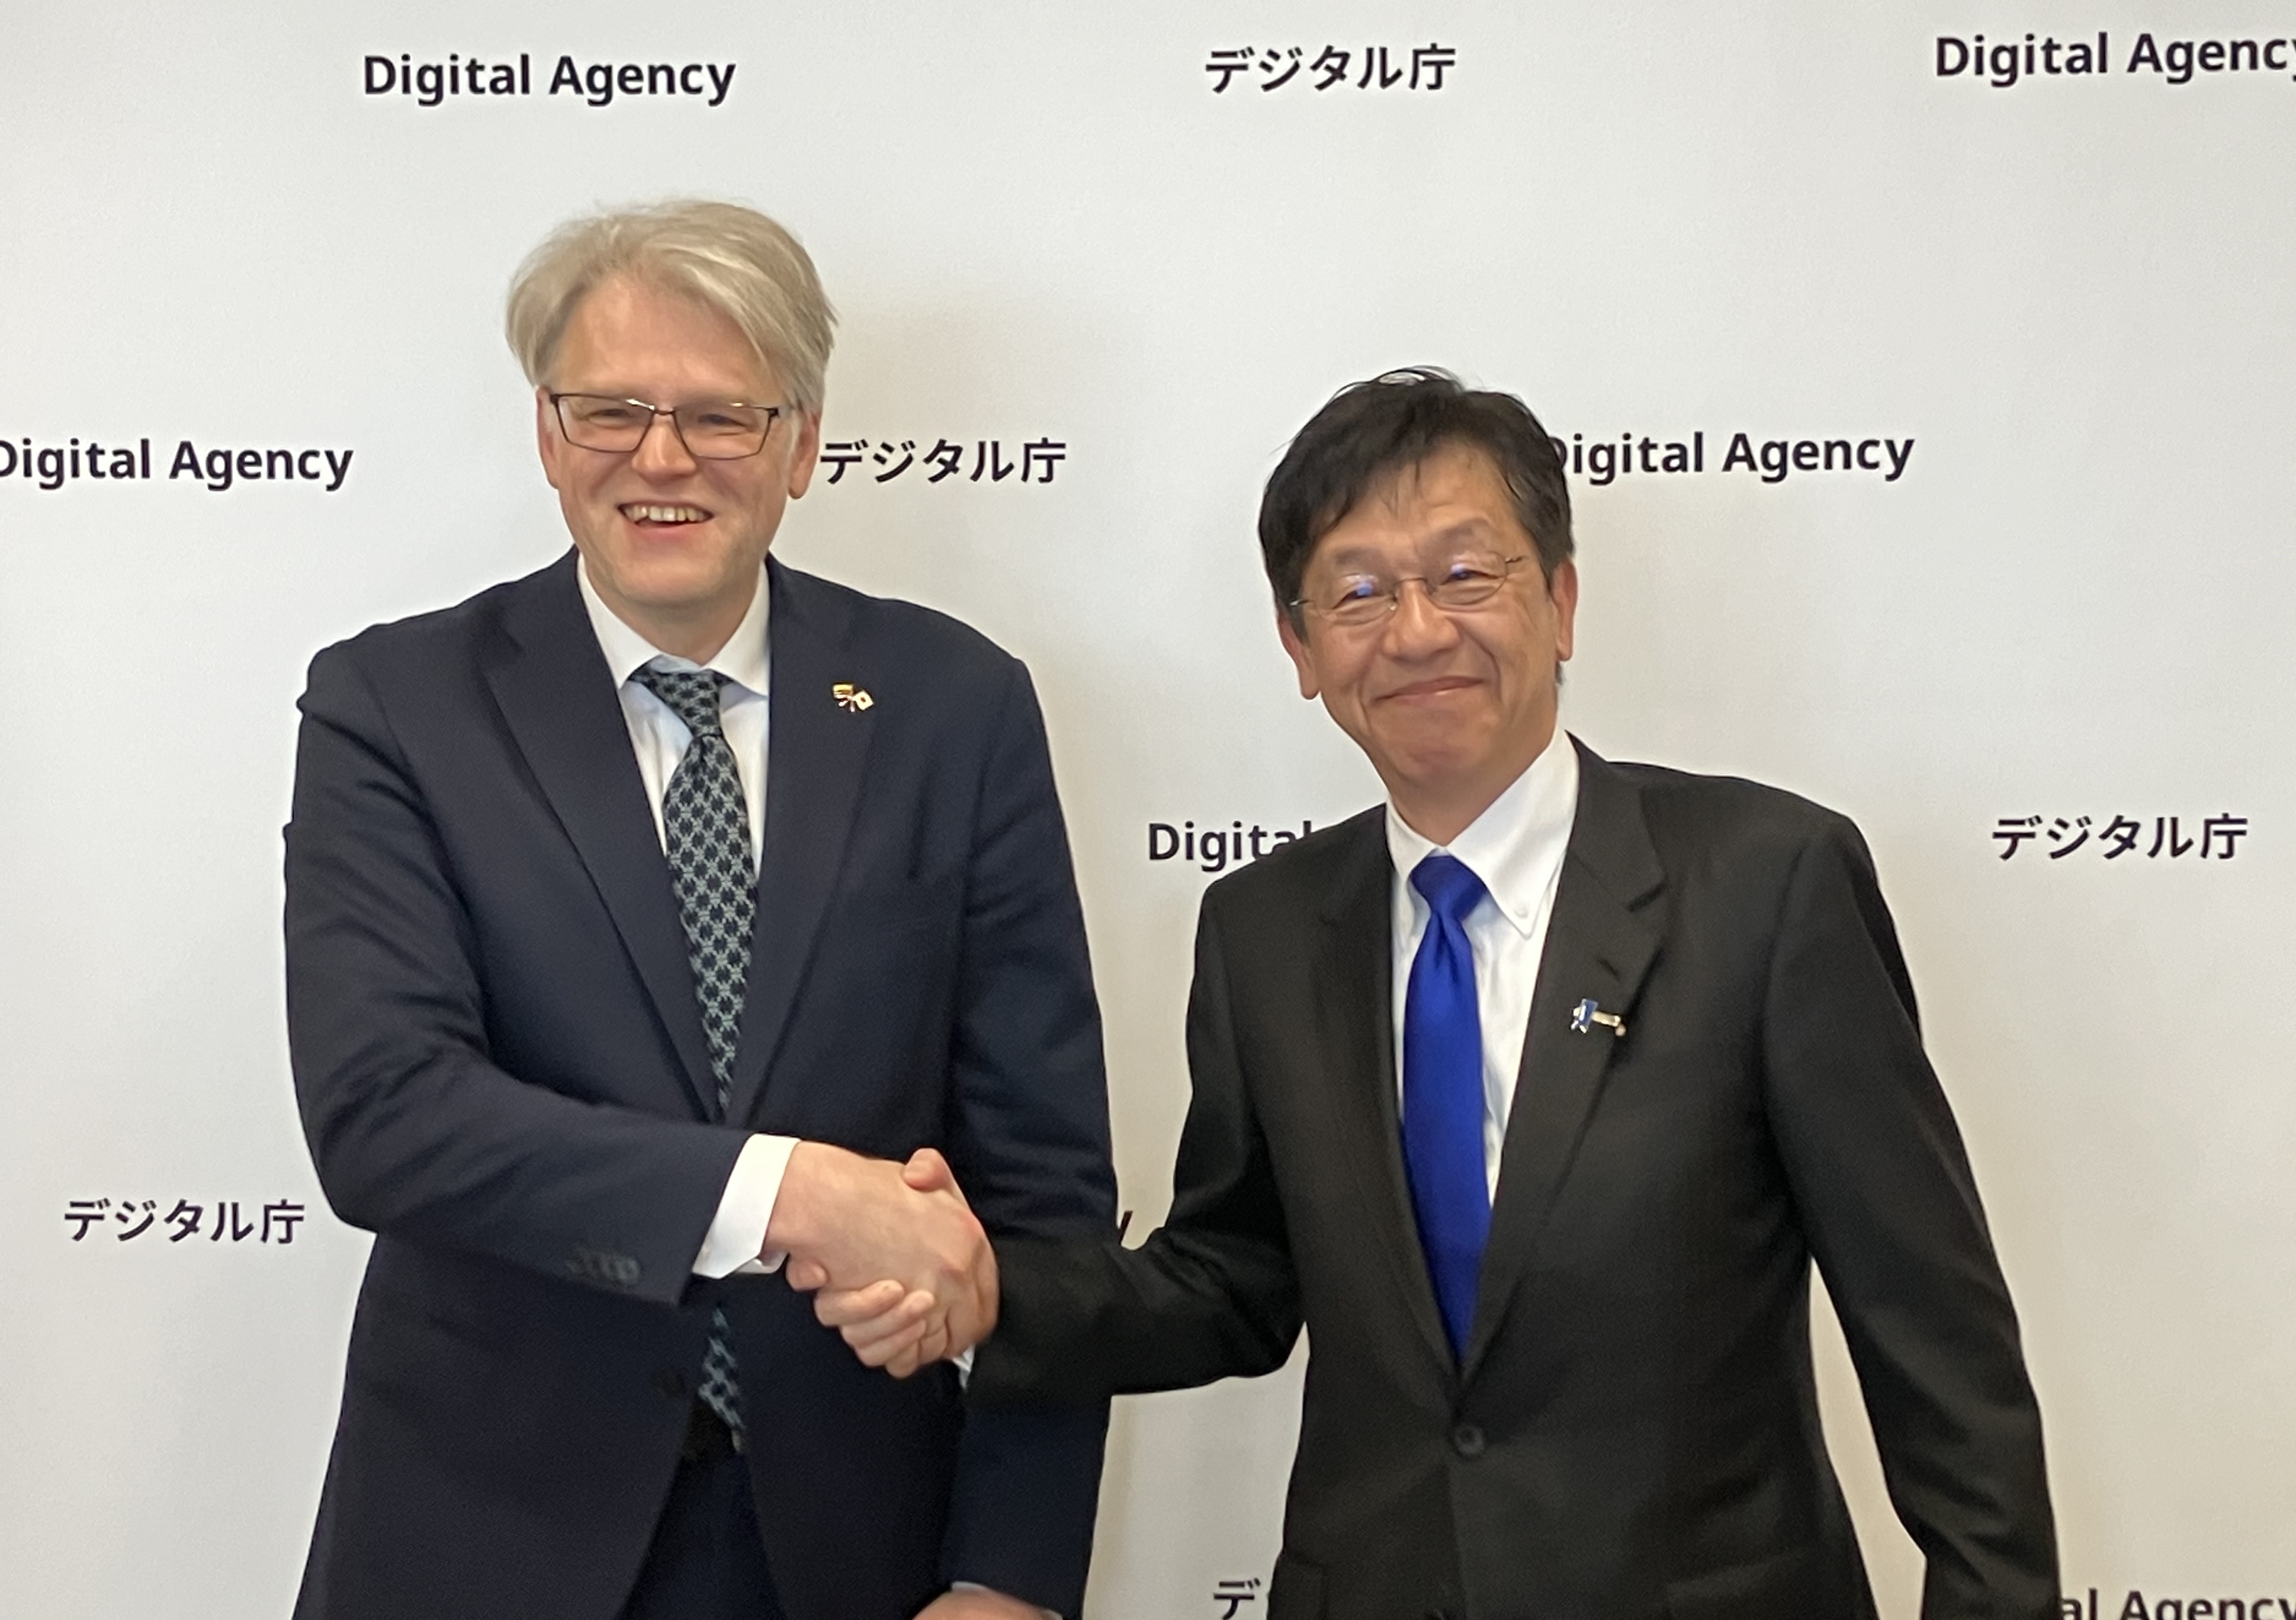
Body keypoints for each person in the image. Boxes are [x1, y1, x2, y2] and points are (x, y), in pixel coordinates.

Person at [814, 370, 2060, 1618]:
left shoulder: (1764, 885)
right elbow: (1232, 1281)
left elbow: (1934, 1339)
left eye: (1465, 575)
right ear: (1300, 649)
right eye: (1357, 591)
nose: (1414, 632)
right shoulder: (1264, 931)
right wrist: (993, 1292)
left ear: (1560, 602)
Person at [284, 199, 1113, 1620]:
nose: (661, 458)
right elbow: (387, 1118)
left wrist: (1012, 1571)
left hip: (859, 1548)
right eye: (610, 410)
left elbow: (1043, 1188)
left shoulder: (954, 709)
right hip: (486, 1533)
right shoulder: (396, 707)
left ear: (802, 443)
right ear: (548, 434)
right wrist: (791, 1192)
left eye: (722, 415)